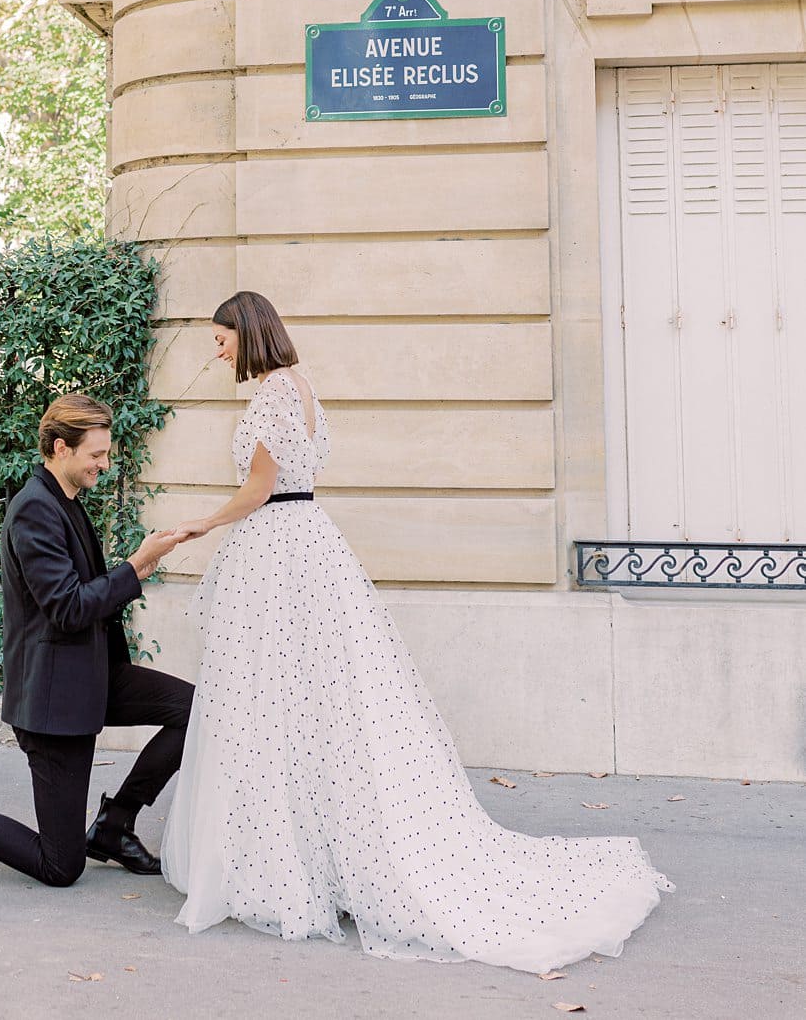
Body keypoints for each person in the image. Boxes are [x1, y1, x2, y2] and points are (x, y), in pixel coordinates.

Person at [160, 291, 672, 973]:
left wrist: (199, 523)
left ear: (247, 330)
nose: (216, 349)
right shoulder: (300, 385)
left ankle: (292, 864)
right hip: (303, 543)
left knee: (277, 704)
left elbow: (259, 489)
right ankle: (303, 857)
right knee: (303, 706)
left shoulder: (276, 393)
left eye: (220, 337)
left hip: (281, 545)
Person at [0, 392, 192, 886]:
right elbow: (68, 608)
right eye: (96, 455)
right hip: (55, 698)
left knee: (195, 711)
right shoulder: (35, 509)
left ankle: (115, 825)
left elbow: (80, 594)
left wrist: (135, 566)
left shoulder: (65, 502)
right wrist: (133, 568)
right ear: (61, 448)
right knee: (59, 865)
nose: (104, 465)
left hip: (92, 674)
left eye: (106, 453)